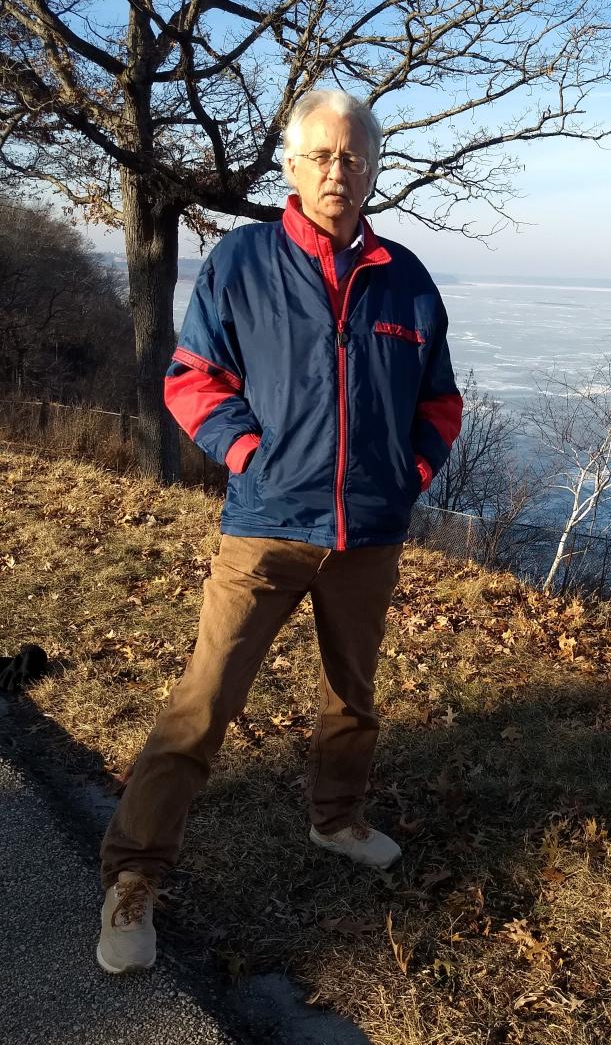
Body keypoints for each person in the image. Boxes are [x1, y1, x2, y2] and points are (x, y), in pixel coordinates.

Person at [97, 90, 462, 974]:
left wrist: (405, 476)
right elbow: (190, 379)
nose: (340, 170)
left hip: (366, 537)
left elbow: (441, 404)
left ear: (375, 167)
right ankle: (133, 877)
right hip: (263, 528)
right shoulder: (243, 263)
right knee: (205, 700)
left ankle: (338, 818)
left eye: (355, 155)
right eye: (322, 156)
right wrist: (249, 453)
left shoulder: (405, 278)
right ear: (292, 167)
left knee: (354, 697)